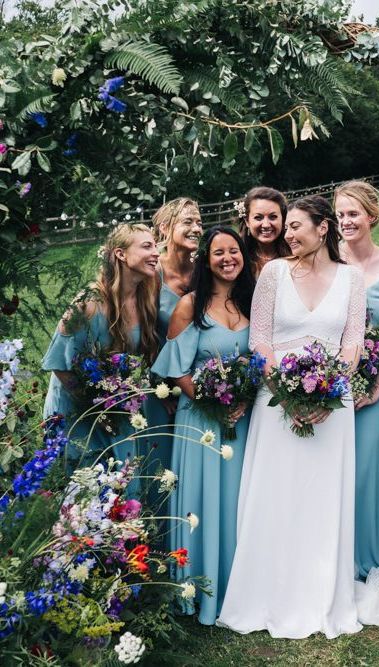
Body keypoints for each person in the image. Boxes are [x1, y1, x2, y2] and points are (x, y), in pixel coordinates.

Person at [218, 195, 379, 639]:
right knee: (277, 496)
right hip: (276, 405)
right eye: (287, 227)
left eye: (296, 226)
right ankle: (268, 592)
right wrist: (289, 396)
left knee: (322, 499)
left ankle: (320, 593)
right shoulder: (274, 273)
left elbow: (353, 341)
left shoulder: (351, 279)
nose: (288, 234)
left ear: (323, 228)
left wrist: (329, 389)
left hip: (333, 407)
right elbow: (260, 341)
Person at [151, 226, 255, 626]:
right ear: (206, 260)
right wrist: (212, 400)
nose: (227, 258)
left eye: (234, 251)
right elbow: (176, 370)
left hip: (240, 422)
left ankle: (237, 585)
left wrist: (241, 398)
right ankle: (198, 589)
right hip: (201, 422)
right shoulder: (190, 306)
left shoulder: (251, 303)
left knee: (236, 502)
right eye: (218, 252)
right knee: (203, 502)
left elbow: (258, 360)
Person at [334, 180, 379, 579]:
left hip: (370, 384)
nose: (346, 221)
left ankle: (365, 555)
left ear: (372, 217)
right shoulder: (329, 261)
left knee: (364, 471)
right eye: (341, 214)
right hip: (327, 385)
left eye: (353, 214)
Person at [42, 223, 159, 465]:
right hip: (78, 411)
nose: (156, 253)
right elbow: (59, 364)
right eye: (147, 246)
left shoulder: (144, 299)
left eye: (155, 246)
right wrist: (97, 405)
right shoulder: (88, 303)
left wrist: (119, 401)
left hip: (117, 409)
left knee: (124, 486)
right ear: (120, 254)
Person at [144, 198, 203, 498]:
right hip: (156, 388)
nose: (196, 228)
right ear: (165, 228)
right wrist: (158, 387)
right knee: (159, 465)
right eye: (187, 222)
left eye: (198, 222)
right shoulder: (152, 275)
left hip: (194, 383)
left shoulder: (203, 272)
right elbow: (139, 335)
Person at [236, 186, 289, 278]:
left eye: (273, 217)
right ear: (247, 221)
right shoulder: (238, 256)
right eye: (258, 217)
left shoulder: (296, 254)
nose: (266, 225)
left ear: (283, 219)